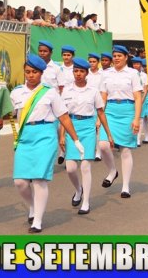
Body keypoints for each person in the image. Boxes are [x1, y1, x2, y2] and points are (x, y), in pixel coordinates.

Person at [10, 55, 84, 233]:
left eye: (34, 72)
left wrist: (75, 139)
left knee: (38, 179)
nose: (30, 75)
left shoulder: (50, 93)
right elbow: (7, 114)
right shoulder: (16, 92)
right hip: (25, 137)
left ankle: (37, 221)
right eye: (27, 72)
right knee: (20, 182)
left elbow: (64, 117)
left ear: (41, 73)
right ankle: (33, 207)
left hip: (45, 136)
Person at [60, 58, 114, 215]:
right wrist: (62, 136)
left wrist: (108, 134)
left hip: (88, 129)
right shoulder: (67, 91)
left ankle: (86, 202)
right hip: (72, 129)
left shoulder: (93, 91)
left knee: (85, 166)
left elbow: (101, 113)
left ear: (86, 73)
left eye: (81, 71)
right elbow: (64, 116)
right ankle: (78, 190)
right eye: (76, 71)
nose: (78, 74)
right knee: (70, 169)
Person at [98, 45, 143, 198]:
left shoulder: (133, 74)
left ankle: (125, 187)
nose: (116, 58)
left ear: (126, 57)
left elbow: (137, 97)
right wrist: (100, 117)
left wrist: (136, 119)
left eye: (119, 55)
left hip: (127, 111)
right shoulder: (106, 74)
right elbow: (103, 97)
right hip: (110, 111)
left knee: (125, 149)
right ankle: (112, 171)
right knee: (103, 145)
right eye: (114, 55)